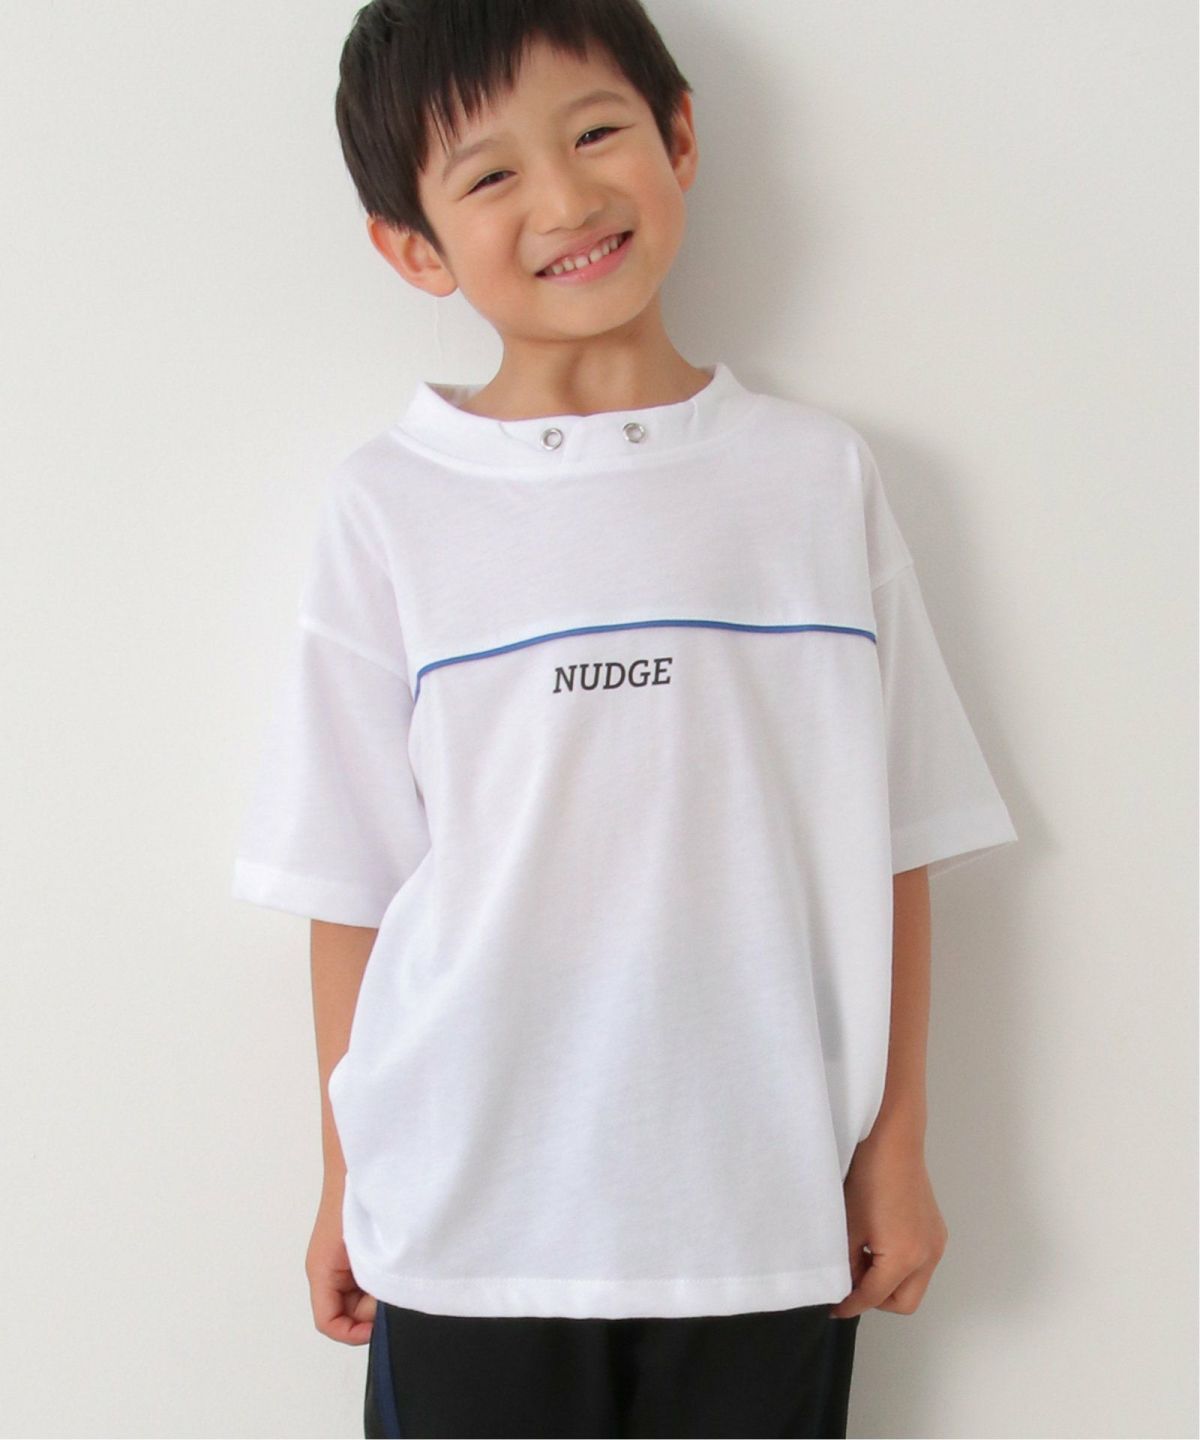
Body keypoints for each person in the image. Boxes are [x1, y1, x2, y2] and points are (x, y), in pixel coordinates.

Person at [231, 0, 1019, 1434]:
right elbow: (351, 884)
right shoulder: (391, 505)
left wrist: (895, 1145)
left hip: (758, 1211)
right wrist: (347, 1179)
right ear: (412, 246)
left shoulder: (812, 480)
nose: (566, 197)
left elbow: (895, 834)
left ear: (680, 136)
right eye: (491, 173)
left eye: (596, 133)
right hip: (466, 1218)